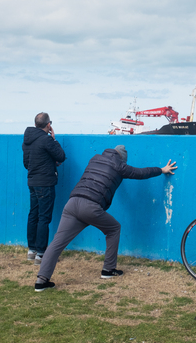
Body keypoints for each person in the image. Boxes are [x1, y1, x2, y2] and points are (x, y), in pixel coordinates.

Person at [34, 145, 177, 292]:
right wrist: (161, 170)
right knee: (114, 229)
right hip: (91, 206)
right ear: (122, 159)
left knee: (57, 242)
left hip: (72, 203)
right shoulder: (120, 166)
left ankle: (41, 280)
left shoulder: (95, 159)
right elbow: (140, 173)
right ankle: (108, 270)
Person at [22, 112, 66, 265]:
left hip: (32, 182)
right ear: (48, 125)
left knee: (33, 214)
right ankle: (41, 254)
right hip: (45, 184)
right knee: (44, 218)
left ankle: (31, 250)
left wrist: (50, 162)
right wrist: (54, 139)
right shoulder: (47, 140)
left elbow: (27, 164)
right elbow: (61, 156)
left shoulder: (27, 140)